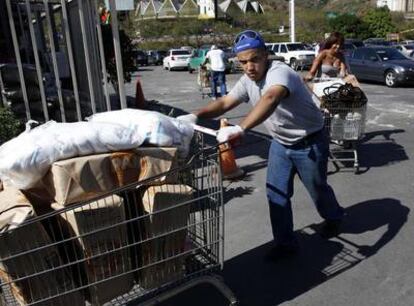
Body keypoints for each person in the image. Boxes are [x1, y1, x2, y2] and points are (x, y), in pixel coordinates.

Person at [178, 30, 344, 260]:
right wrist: (195, 115)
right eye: (243, 61)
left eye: (255, 59)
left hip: (309, 141)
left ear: (266, 55)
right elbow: (226, 102)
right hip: (281, 143)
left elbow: (271, 98)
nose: (249, 67)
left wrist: (241, 128)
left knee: (317, 188)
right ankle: (286, 244)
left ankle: (334, 217)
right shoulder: (247, 80)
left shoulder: (280, 73)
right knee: (276, 193)